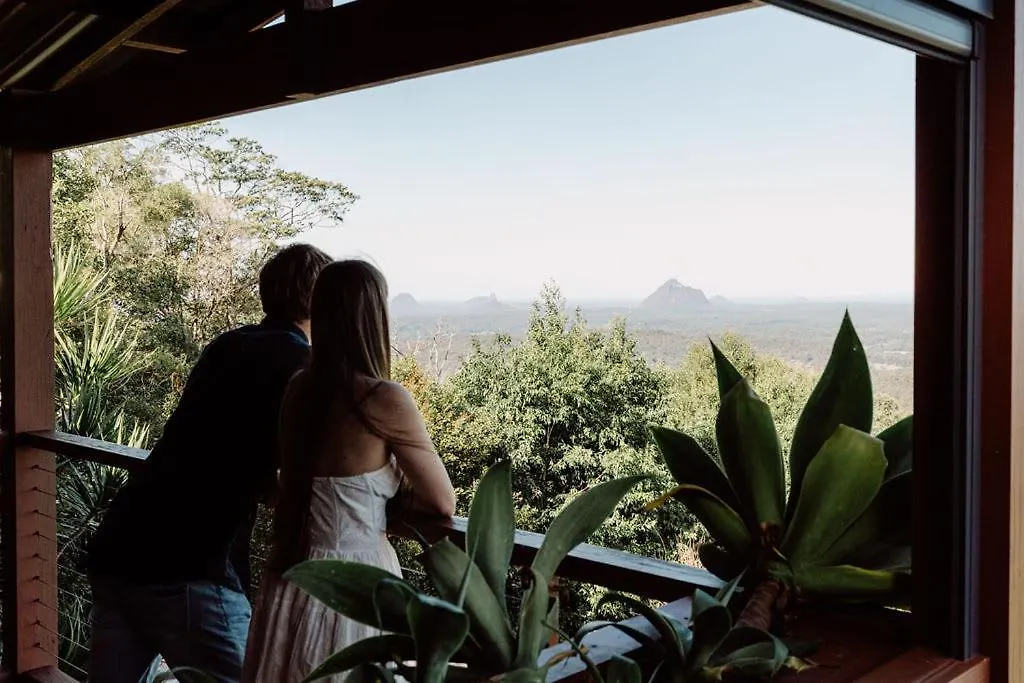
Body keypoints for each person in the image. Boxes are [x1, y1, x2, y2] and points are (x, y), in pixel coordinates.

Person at [86, 243, 333, 683]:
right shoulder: (300, 364)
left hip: (123, 541)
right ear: (318, 299)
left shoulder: (229, 344)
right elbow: (290, 473)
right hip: (187, 560)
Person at [241, 260, 456, 683]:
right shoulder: (383, 399)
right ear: (374, 317)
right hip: (356, 582)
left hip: (295, 572)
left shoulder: (299, 390)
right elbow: (442, 501)